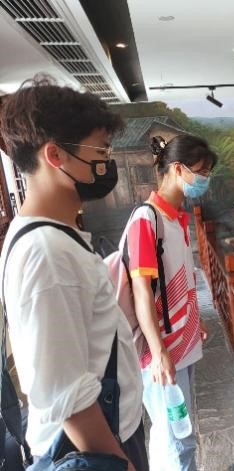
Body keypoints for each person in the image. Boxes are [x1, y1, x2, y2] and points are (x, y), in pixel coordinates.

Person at [0, 77, 147, 469]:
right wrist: (121, 464)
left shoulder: (49, 236)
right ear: (56, 155)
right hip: (95, 446)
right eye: (100, 151)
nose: (106, 162)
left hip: (107, 432)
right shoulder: (47, 252)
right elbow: (66, 396)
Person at [123, 134, 215, 470]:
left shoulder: (176, 217)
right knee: (175, 439)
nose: (205, 179)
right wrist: (158, 351)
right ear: (177, 168)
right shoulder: (147, 219)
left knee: (182, 431)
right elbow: (141, 291)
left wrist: (194, 317)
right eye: (201, 172)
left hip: (181, 342)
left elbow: (178, 279)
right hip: (161, 352)